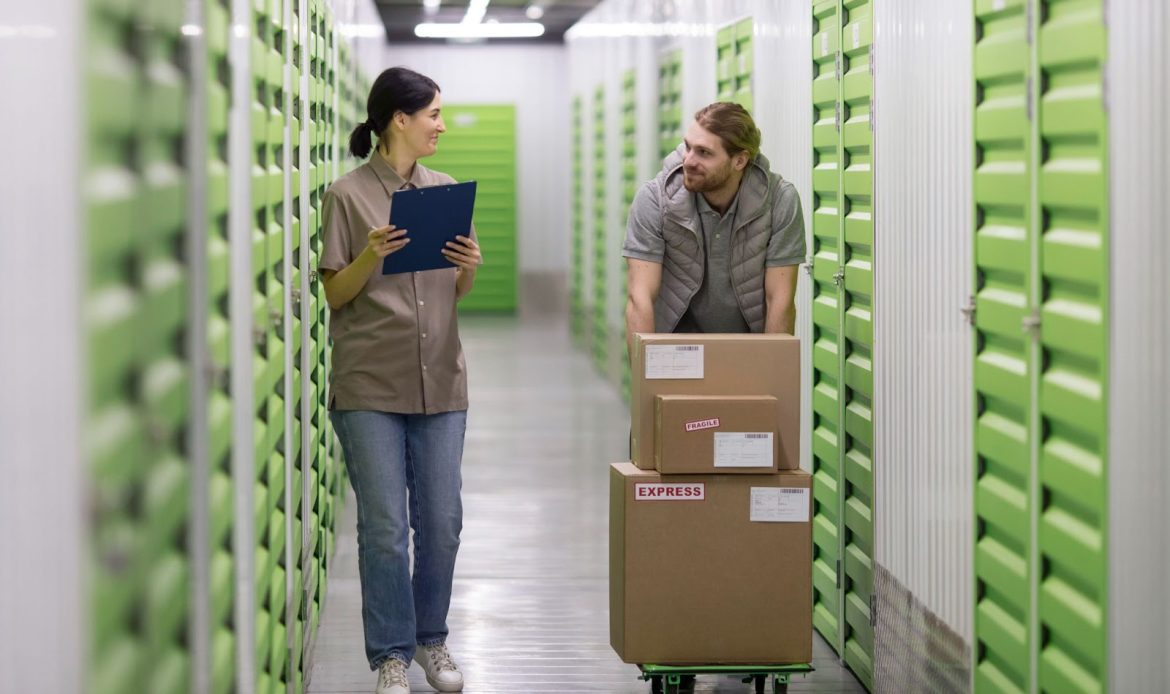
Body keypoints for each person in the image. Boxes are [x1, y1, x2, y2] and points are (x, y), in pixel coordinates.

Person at [319, 66, 481, 694]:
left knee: (441, 521)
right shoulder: (347, 195)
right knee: (385, 527)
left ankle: (431, 641)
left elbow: (454, 292)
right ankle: (390, 653)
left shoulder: (443, 191)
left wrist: (469, 265)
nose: (442, 125)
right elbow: (335, 293)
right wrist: (370, 254)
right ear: (399, 120)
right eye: (434, 114)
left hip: (440, 379)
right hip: (370, 386)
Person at [623, 101, 806, 356]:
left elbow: (780, 302)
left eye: (704, 153)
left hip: (746, 352)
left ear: (739, 160)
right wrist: (645, 380)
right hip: (675, 353)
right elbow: (639, 299)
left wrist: (771, 377)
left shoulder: (779, 202)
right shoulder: (655, 199)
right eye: (687, 147)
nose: (688, 161)